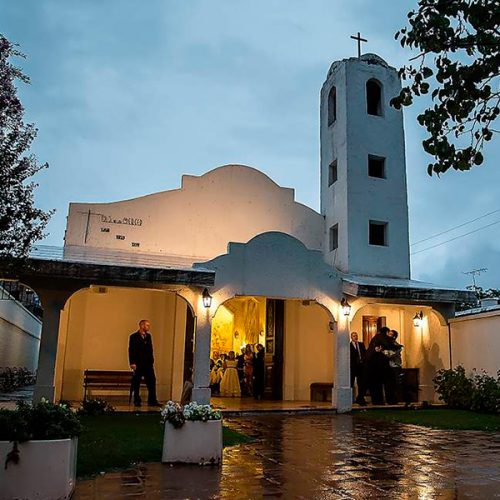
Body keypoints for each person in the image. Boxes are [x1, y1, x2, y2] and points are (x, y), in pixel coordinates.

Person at [129, 319, 160, 407]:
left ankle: (152, 400)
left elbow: (150, 349)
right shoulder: (133, 337)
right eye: (147, 325)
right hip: (138, 363)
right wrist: (132, 362)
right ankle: (137, 400)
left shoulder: (148, 336)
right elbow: (131, 350)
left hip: (148, 364)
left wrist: (152, 360)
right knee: (136, 382)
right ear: (142, 326)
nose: (148, 327)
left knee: (152, 381)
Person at [365, 326, 391, 405]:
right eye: (388, 333)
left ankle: (376, 400)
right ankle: (379, 401)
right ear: (386, 332)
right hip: (378, 365)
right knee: (378, 384)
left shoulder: (375, 338)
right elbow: (387, 346)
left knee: (374, 384)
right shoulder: (382, 338)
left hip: (371, 365)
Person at [383, 330, 404, 405]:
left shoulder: (396, 345)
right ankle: (389, 399)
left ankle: (394, 399)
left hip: (394, 366)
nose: (388, 335)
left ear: (394, 336)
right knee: (388, 384)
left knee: (394, 384)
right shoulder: (386, 343)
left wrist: (383, 351)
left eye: (391, 334)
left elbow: (391, 354)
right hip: (388, 366)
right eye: (388, 333)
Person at [349, 331, 367, 405]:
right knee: (351, 382)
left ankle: (360, 398)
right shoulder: (349, 345)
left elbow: (364, 353)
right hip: (353, 366)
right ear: (351, 337)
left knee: (361, 383)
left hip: (361, 366)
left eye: (356, 335)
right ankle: (350, 399)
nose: (355, 337)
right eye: (353, 335)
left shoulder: (361, 344)